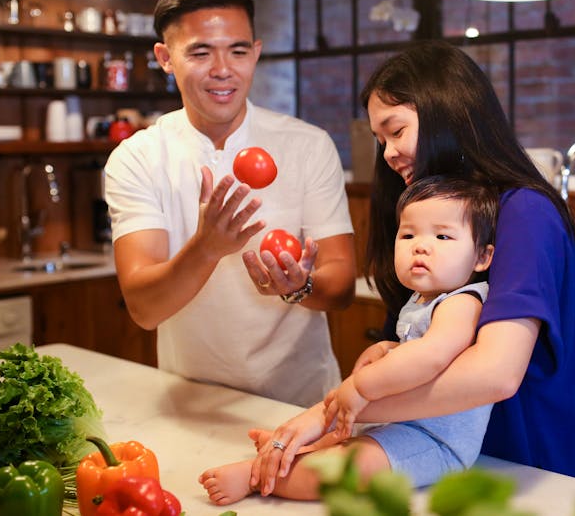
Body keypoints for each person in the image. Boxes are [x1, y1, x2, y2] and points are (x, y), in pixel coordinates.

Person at [250, 40, 575, 492]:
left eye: (396, 132)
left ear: (448, 113)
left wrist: (334, 413)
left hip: (538, 470)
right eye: (380, 140)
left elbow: (495, 373)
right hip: (455, 465)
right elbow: (413, 350)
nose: (387, 155)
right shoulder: (434, 217)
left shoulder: (524, 212)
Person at [103, 0, 356, 407]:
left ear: (255, 53)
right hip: (190, 400)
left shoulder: (307, 145)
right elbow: (143, 308)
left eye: (238, 51)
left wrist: (299, 285)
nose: (223, 70)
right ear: (165, 57)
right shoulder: (138, 158)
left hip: (300, 402)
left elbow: (343, 284)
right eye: (200, 52)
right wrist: (206, 247)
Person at [198, 175, 498, 503]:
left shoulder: (463, 301)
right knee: (339, 437)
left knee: (344, 469)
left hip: (436, 443)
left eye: (442, 236)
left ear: (482, 257)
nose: (421, 245)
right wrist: (390, 348)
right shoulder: (421, 299)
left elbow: (433, 355)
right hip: (399, 421)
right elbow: (426, 353)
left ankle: (256, 476)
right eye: (409, 234)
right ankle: (294, 450)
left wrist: (360, 386)